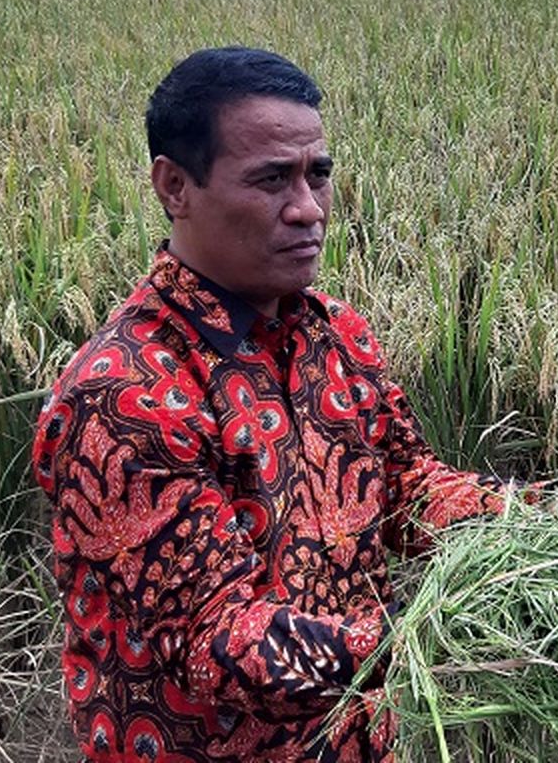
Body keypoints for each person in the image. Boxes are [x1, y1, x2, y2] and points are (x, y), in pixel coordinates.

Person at [32, 47, 528, 762]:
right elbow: (215, 639)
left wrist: (553, 513)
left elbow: (407, 491)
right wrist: (431, 642)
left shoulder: (338, 333)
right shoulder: (126, 395)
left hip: (364, 740)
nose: (307, 208)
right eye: (270, 180)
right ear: (175, 186)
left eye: (317, 174)